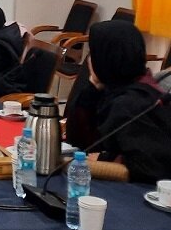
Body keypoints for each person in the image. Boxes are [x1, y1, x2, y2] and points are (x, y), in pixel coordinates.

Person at [65, 20, 171, 184]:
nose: (90, 60)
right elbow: (78, 139)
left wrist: (106, 159)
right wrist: (93, 86)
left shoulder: (132, 103)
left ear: (108, 57)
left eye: (94, 54)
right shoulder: (117, 87)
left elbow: (151, 167)